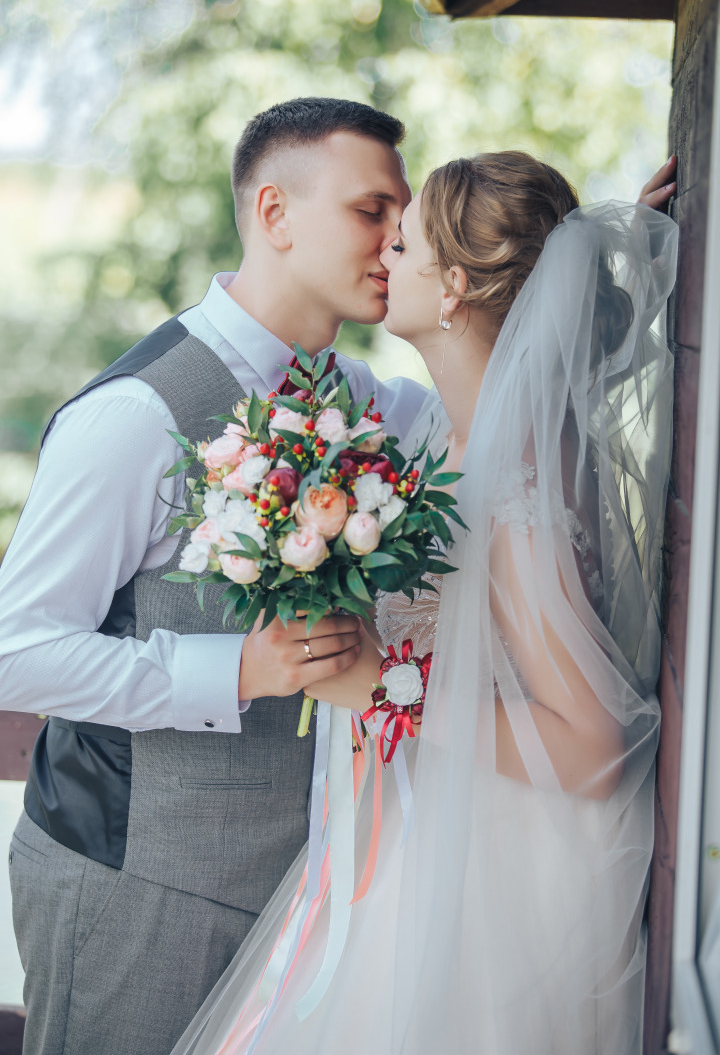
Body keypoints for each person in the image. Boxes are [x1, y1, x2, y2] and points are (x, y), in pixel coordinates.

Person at [169, 152, 678, 1055]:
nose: (381, 259)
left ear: (452, 289)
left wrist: (380, 684)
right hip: (427, 816)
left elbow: (593, 745)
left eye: (401, 244)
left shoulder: (519, 480)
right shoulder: (447, 436)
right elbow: (560, 354)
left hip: (495, 865)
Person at [1, 97, 431, 1055]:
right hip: (134, 892)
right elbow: (14, 651)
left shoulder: (358, 399)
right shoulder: (135, 416)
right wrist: (234, 670)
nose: (400, 238)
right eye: (374, 211)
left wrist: (593, 275)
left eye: (405, 216)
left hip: (294, 898)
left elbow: (499, 408)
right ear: (275, 214)